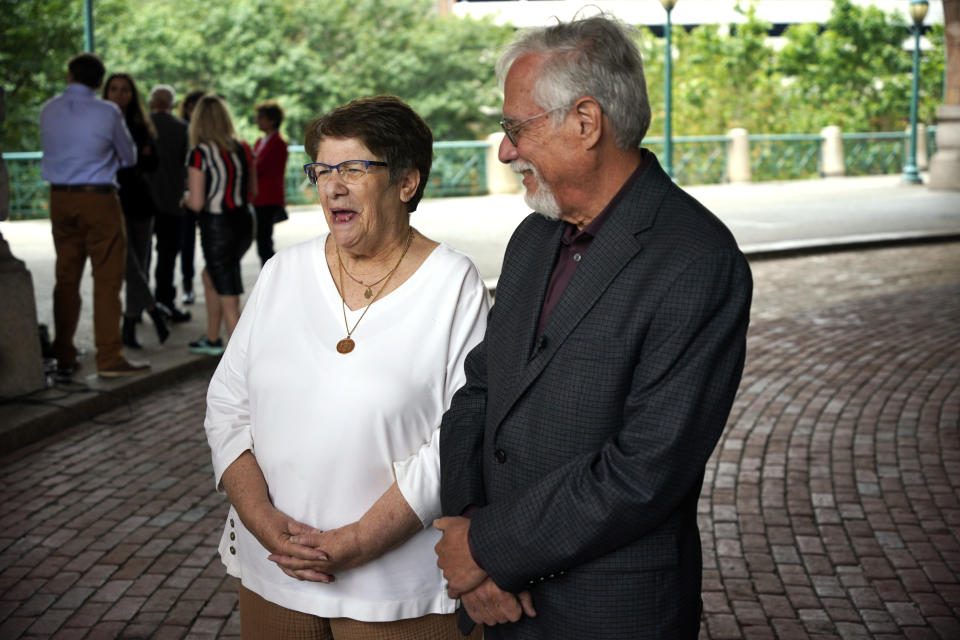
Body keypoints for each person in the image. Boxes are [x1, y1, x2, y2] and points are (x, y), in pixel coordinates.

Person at [433, 15, 753, 639]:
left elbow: (645, 469)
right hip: (497, 607)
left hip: (610, 614)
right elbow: (478, 395)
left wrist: (490, 549)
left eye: (514, 127)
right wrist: (472, 533)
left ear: (585, 122)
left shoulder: (697, 259)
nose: (505, 149)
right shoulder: (533, 237)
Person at [203, 95, 489, 637]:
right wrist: (263, 523)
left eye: (354, 168)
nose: (332, 185)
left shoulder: (454, 284)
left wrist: (359, 540)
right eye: (322, 169)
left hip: (397, 589)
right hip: (276, 572)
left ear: (406, 182)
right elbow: (226, 404)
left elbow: (458, 435)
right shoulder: (283, 272)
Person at [39, 53, 150, 377]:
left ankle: (64, 354)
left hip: (59, 198)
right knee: (106, 280)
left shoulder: (49, 109)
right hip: (99, 199)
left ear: (70, 75)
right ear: (100, 82)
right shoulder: (107, 112)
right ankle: (109, 358)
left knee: (66, 278)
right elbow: (129, 157)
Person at [183, 95, 255, 356]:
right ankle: (212, 338)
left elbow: (197, 202)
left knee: (229, 296)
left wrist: (185, 198)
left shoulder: (199, 153)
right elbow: (251, 190)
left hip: (217, 227)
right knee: (211, 277)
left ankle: (240, 364)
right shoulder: (239, 148)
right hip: (244, 222)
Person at [103, 73, 170, 350]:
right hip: (112, 200)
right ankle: (153, 310)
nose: (120, 95)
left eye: (126, 90)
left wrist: (133, 156)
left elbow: (150, 162)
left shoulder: (141, 123)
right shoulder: (101, 121)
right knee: (127, 262)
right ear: (106, 92)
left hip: (140, 201)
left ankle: (129, 324)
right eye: (115, 89)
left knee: (138, 264)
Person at [147, 84, 192, 324]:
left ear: (152, 102)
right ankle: (165, 301)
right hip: (171, 202)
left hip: (142, 202)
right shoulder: (182, 129)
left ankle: (140, 306)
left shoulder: (140, 126)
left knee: (140, 258)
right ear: (172, 104)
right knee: (167, 257)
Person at [252, 100, 289, 266]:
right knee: (262, 239)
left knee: (264, 240)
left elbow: (260, 167)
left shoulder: (278, 144)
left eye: (261, 117)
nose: (258, 120)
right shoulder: (260, 141)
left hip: (268, 197)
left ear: (272, 120)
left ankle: (272, 272)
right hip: (258, 196)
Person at [179, 89, 205, 305]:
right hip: (186, 195)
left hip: (208, 197)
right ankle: (187, 285)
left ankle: (211, 284)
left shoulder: (209, 135)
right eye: (191, 107)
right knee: (186, 243)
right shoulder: (181, 131)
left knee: (210, 244)